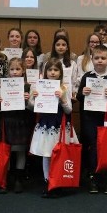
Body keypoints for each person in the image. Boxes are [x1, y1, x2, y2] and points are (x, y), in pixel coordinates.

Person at [77, 44, 107, 194]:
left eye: (103, 58)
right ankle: (93, 177)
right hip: (90, 118)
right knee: (93, 147)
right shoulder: (87, 76)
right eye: (97, 58)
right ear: (91, 59)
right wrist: (83, 93)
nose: (100, 61)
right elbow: (79, 97)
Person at [29, 57, 76, 198]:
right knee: (46, 154)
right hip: (46, 124)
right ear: (45, 72)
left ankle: (59, 181)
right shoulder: (38, 86)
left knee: (60, 154)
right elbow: (31, 107)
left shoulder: (64, 88)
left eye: (56, 70)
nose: (53, 73)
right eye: (50, 70)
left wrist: (62, 99)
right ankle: (47, 181)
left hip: (60, 125)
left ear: (60, 72)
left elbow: (69, 110)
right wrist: (34, 99)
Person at [0, 57, 33, 193]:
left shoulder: (28, 86)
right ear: (8, 71)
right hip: (7, 121)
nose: (15, 72)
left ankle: (18, 179)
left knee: (20, 150)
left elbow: (33, 108)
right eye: (12, 69)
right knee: (7, 151)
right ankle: (5, 179)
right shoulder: (3, 85)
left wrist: (27, 101)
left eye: (18, 69)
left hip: (22, 121)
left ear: (23, 71)